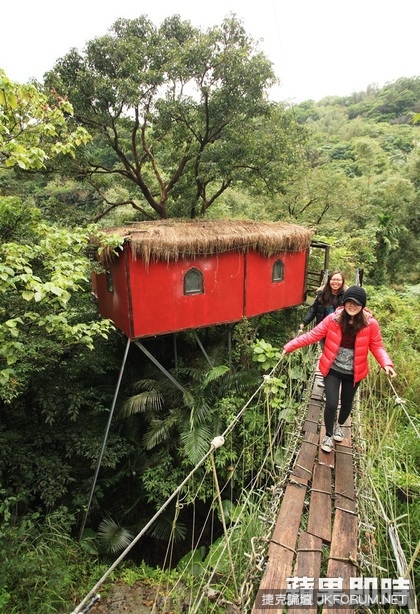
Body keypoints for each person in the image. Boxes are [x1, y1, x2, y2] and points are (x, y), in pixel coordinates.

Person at [283, 286, 396, 453]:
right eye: (349, 302)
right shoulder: (332, 319)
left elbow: (377, 346)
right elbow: (313, 335)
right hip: (333, 368)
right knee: (331, 403)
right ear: (344, 302)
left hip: (354, 372)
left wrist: (386, 364)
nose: (352, 306)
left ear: (362, 306)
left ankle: (339, 425)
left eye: (357, 303)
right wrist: (289, 346)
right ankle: (328, 435)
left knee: (347, 404)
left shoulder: (370, 324)